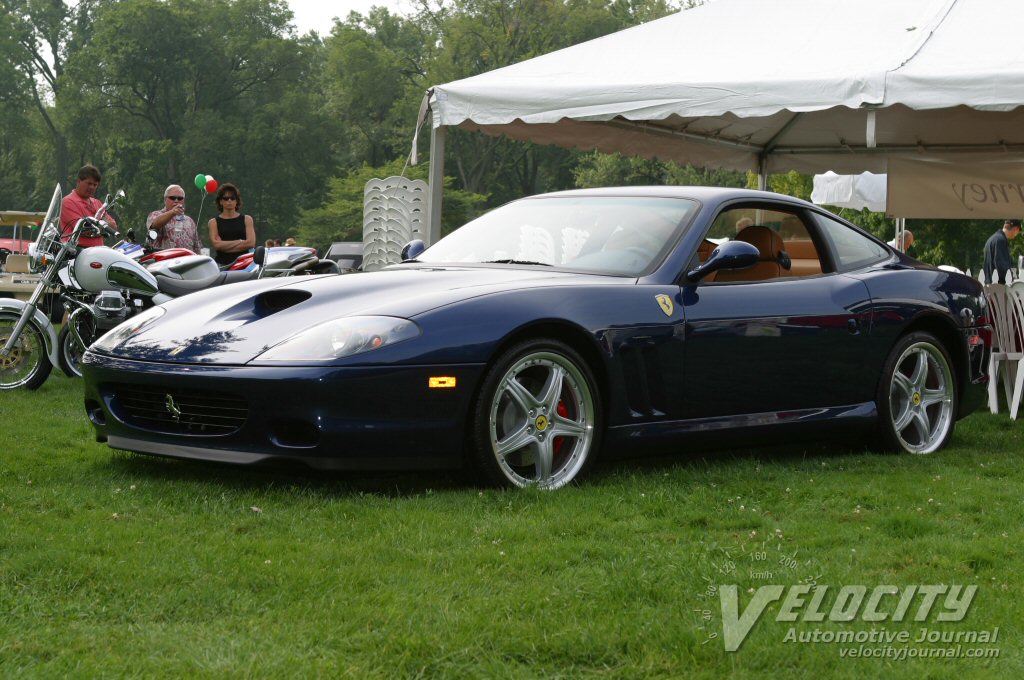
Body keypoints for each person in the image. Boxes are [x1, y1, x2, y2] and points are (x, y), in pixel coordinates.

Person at [60, 164, 117, 247]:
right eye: (89, 183)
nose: (91, 187)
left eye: (95, 185)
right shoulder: (67, 202)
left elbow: (114, 227)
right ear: (79, 181)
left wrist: (99, 228)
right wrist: (103, 228)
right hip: (77, 252)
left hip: (98, 251)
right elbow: (84, 230)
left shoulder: (97, 203)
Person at [208, 183, 255, 266]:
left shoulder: (247, 219)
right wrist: (241, 242)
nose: (229, 200)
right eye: (226, 198)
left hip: (245, 264)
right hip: (222, 265)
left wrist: (224, 245)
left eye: (232, 198)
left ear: (237, 201)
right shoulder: (213, 222)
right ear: (221, 201)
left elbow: (251, 243)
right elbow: (217, 245)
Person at [146, 185, 202, 253]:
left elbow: (197, 246)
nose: (176, 201)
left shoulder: (189, 221)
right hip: (165, 260)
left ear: (183, 200)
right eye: (172, 198)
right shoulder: (156, 214)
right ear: (165, 199)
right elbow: (154, 224)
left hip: (187, 260)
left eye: (180, 198)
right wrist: (172, 212)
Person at [983, 219, 1022, 283]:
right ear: (1016, 229)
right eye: (1018, 232)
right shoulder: (1001, 240)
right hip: (999, 286)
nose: (1016, 235)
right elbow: (1001, 266)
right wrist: (1013, 278)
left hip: (989, 283)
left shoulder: (992, 238)